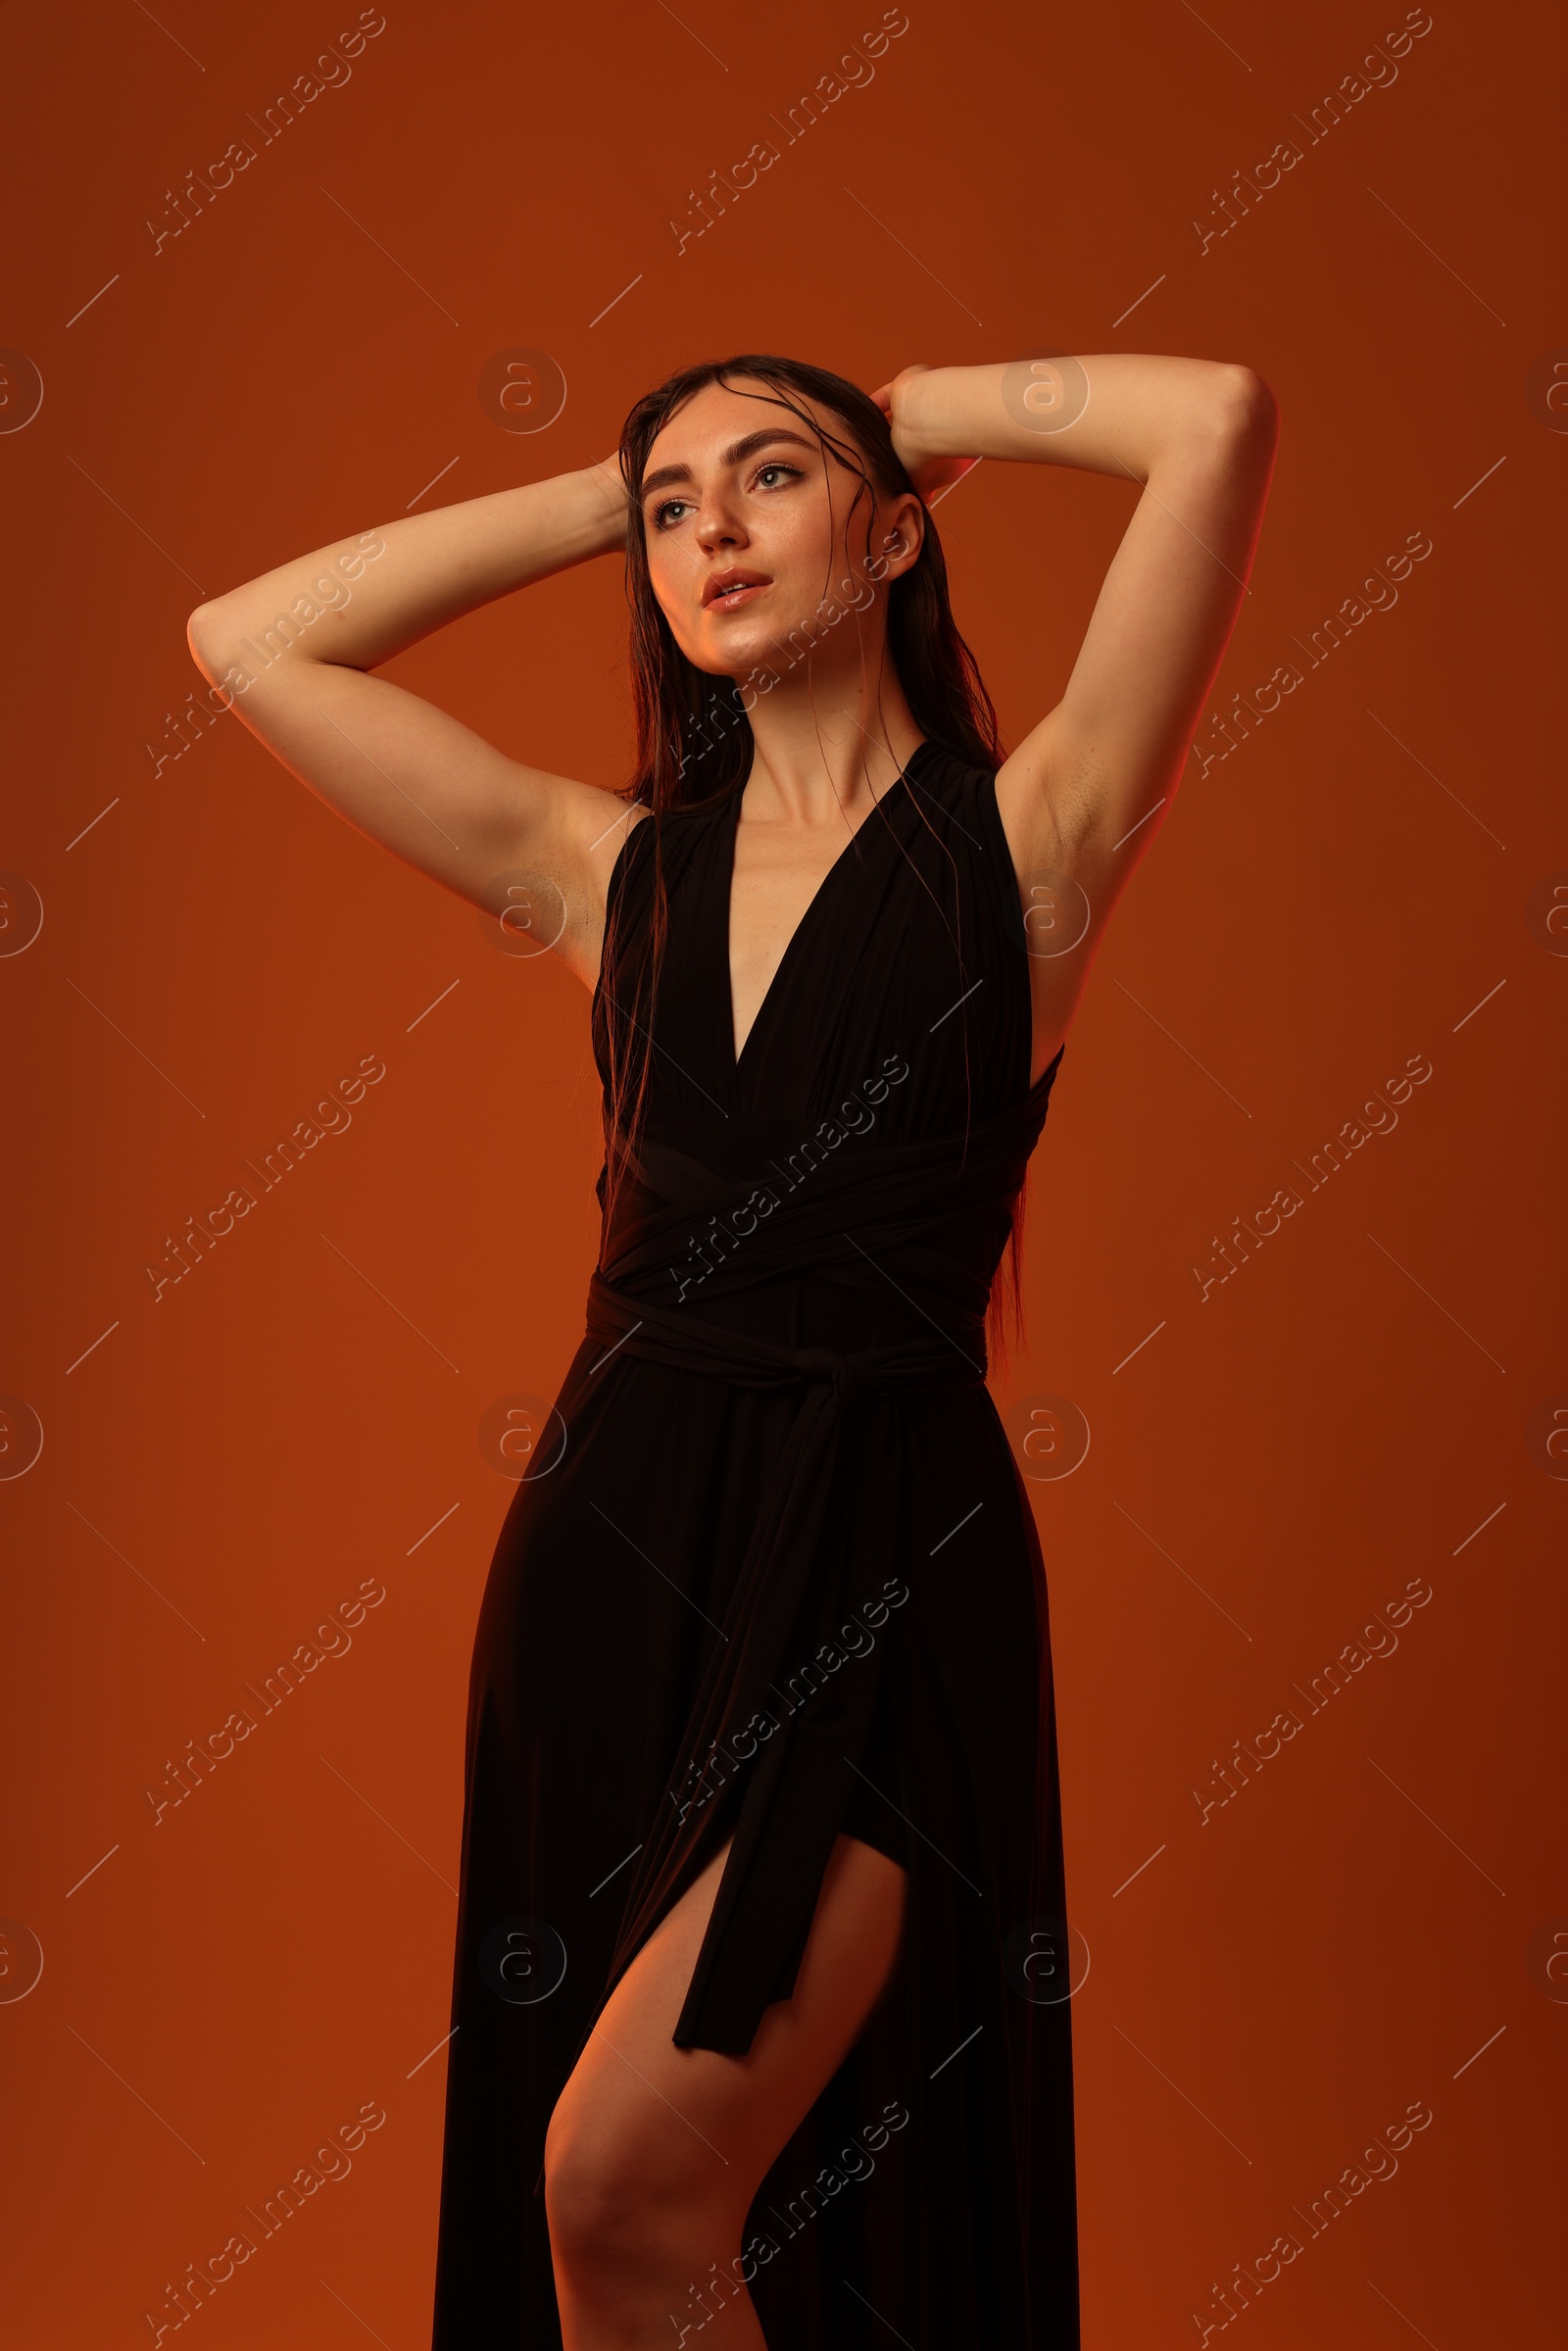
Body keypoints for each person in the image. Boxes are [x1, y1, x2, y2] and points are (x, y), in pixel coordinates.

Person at [187, 346, 1276, 2348]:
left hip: (881, 1573)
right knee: (630, 2212)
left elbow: (1206, 418)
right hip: (609, 1563)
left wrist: (911, 397)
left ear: (893, 529)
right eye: (673, 508)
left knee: (623, 2179)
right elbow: (247, 643)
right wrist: (608, 496)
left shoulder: (1021, 845)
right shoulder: (610, 875)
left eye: (770, 481)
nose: (711, 530)